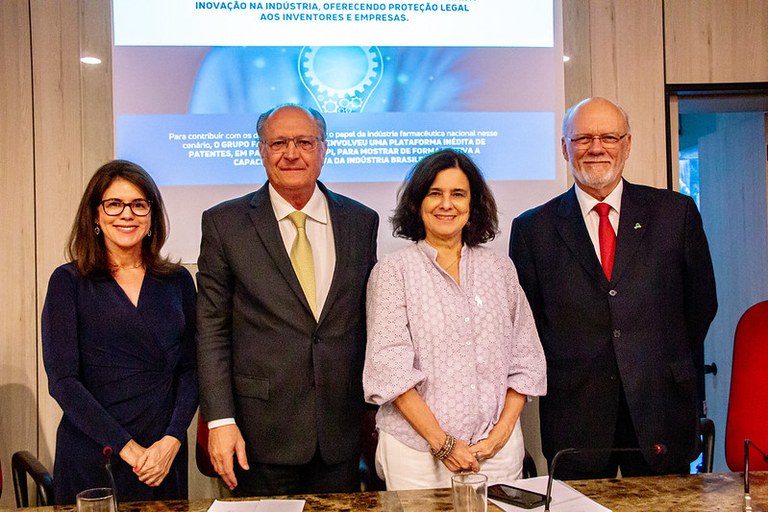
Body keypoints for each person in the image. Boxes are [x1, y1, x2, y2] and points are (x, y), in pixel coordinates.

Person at [509, 97, 718, 479]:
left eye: (609, 136)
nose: (596, 148)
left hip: (661, 405)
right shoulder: (532, 230)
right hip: (577, 412)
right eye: (583, 138)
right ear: (563, 148)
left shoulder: (676, 214)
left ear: (627, 144)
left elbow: (701, 304)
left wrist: (659, 358)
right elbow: (528, 324)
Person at [196, 104, 379, 496]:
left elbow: (368, 321)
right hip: (259, 434)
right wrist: (220, 420)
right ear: (261, 151)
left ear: (323, 150)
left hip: (339, 433)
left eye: (304, 142)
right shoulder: (224, 224)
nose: (291, 153)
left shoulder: (362, 222)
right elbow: (211, 329)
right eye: (278, 142)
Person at [363, 149, 547, 490]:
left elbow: (525, 360)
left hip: (496, 452)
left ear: (472, 204)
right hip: (417, 455)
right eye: (435, 193)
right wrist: (443, 444)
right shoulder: (393, 273)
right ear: (418, 203)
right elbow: (391, 372)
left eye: (458, 194)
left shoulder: (500, 270)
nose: (446, 204)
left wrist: (500, 436)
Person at [42, 160, 198, 504]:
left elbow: (191, 369)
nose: (127, 214)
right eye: (114, 204)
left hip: (163, 457)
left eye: (139, 204)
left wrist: (172, 439)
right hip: (95, 455)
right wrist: (127, 449)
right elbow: (63, 381)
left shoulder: (178, 281)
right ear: (95, 216)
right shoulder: (68, 282)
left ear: (151, 215)